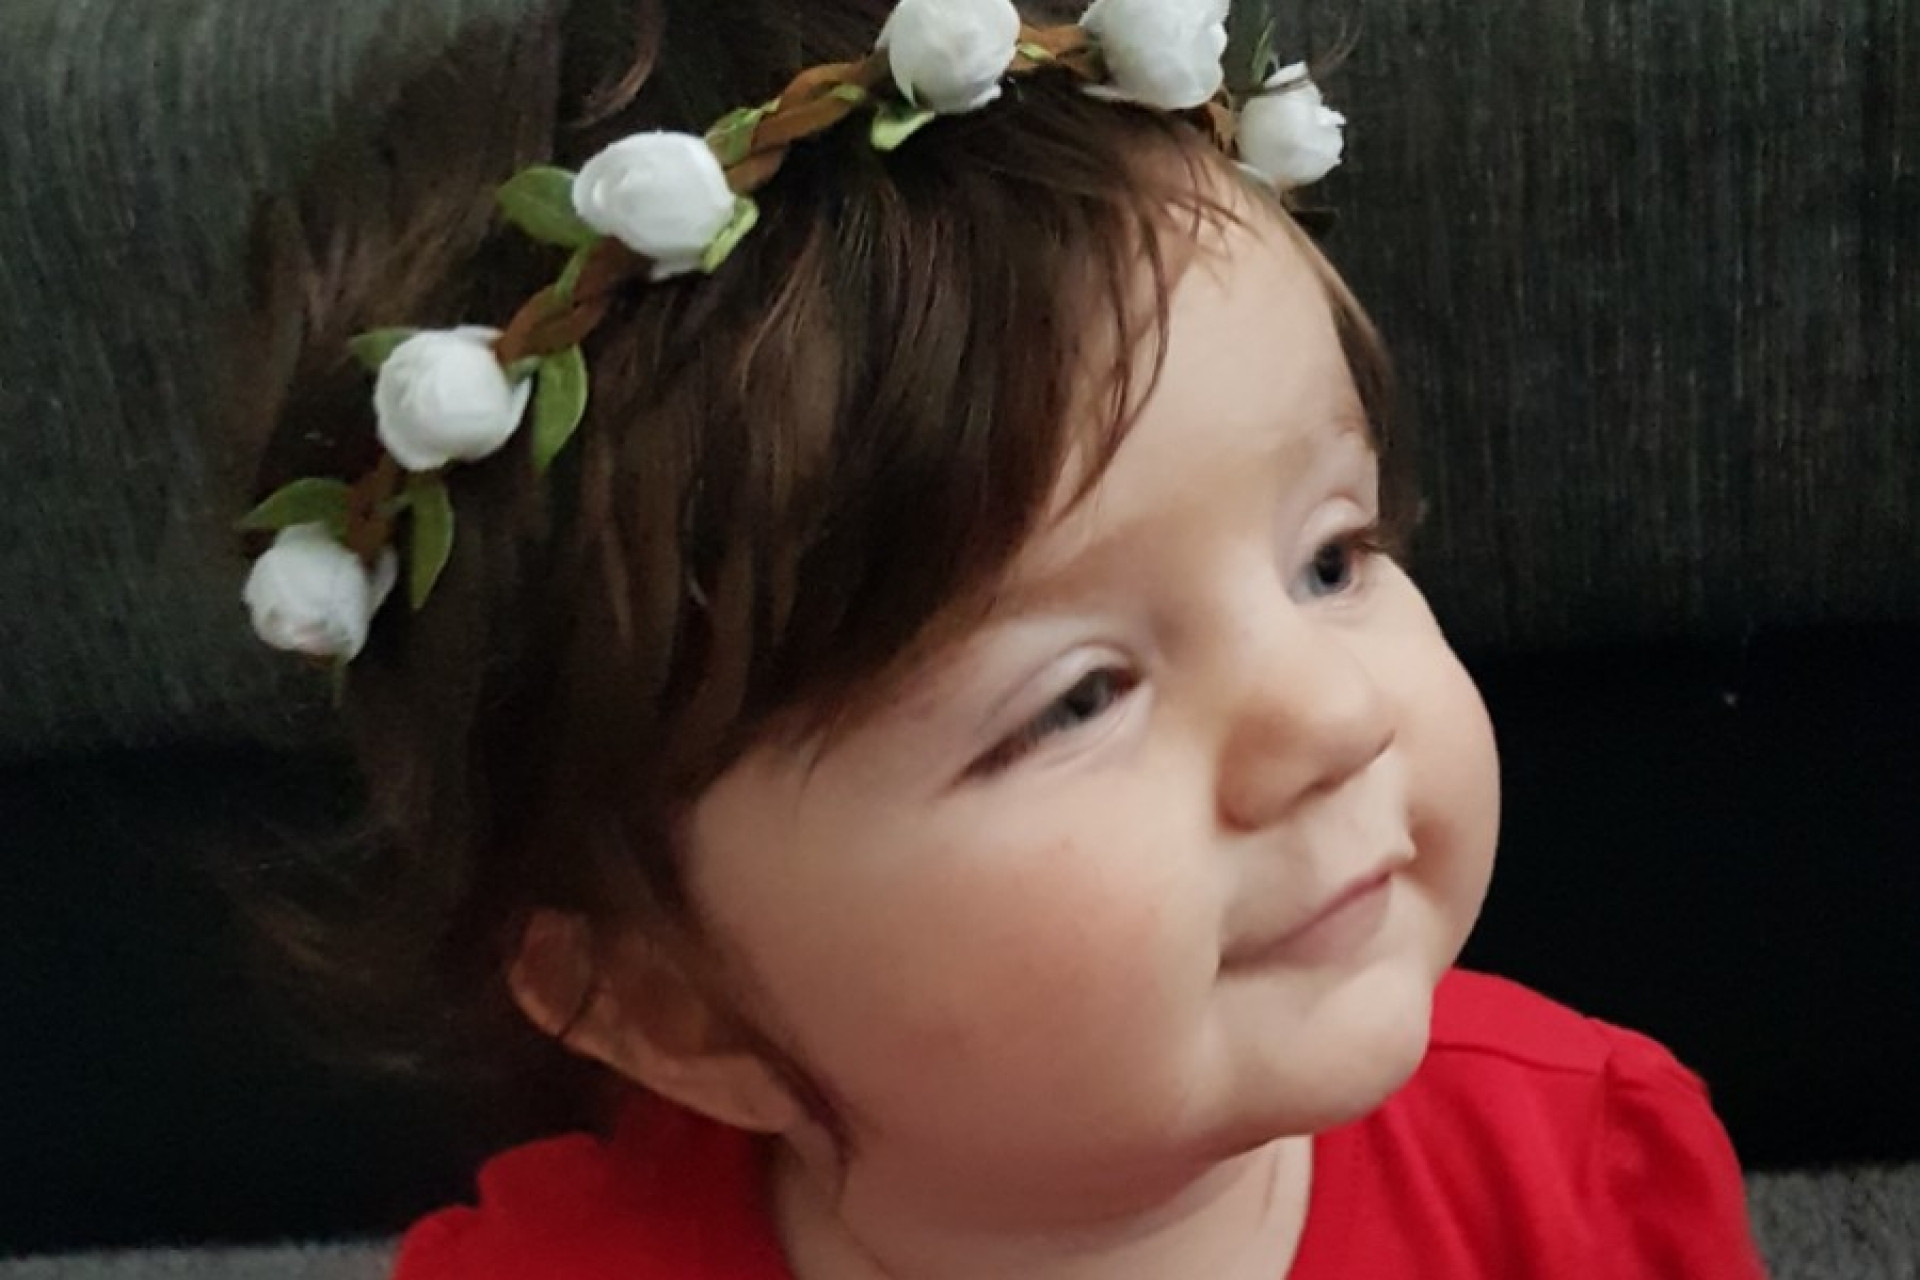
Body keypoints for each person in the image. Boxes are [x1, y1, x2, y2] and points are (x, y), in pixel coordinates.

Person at [233, 0, 1769, 1274]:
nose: (1332, 719)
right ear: (667, 1005)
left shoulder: (1583, 1186)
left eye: (1331, 558)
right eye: (1078, 697)